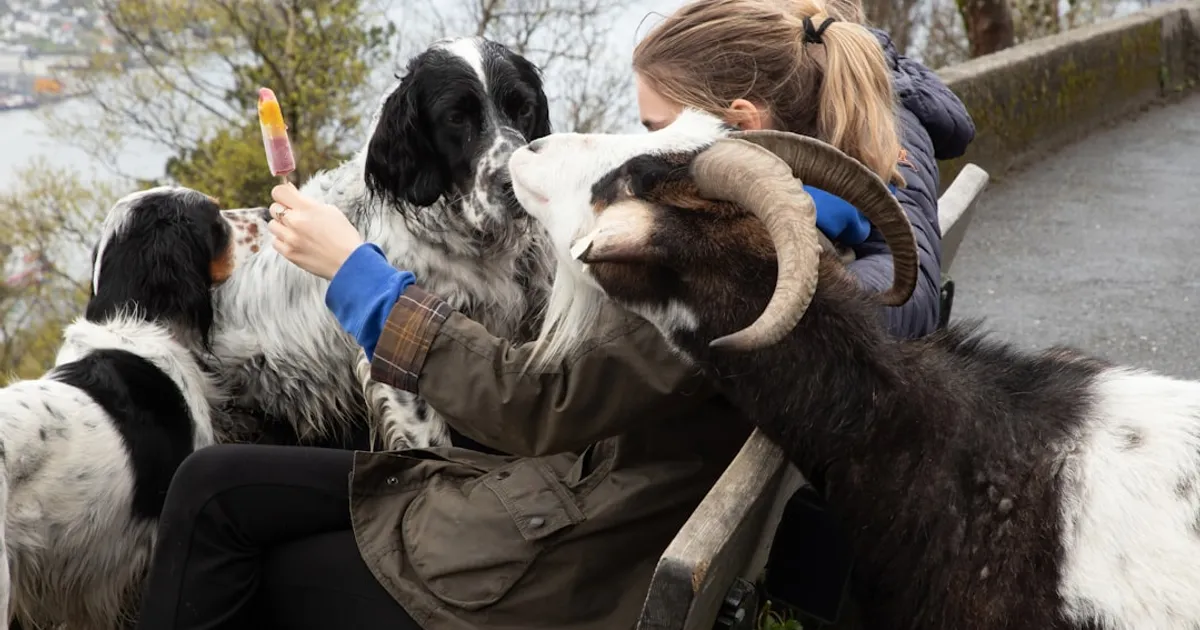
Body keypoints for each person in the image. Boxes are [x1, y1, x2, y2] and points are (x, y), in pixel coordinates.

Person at [132, 2, 973, 629]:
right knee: (217, 480)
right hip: (585, 496)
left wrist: (354, 273)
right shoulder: (797, 224)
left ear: (737, 125)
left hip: (569, 556)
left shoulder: (732, 266)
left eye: (650, 126)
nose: (635, 146)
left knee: (221, 517)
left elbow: (537, 406)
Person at [628, 0, 975, 622]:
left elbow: (911, 294)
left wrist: (784, 260)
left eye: (655, 129)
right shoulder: (863, 108)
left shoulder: (888, 123)